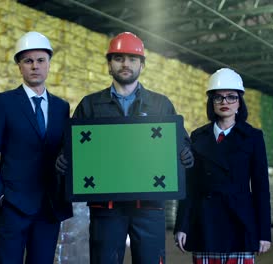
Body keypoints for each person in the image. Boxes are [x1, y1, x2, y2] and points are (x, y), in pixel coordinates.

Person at [56, 32, 194, 264]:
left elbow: (181, 141)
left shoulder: (161, 104)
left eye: (132, 59)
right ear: (109, 65)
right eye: (119, 58)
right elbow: (71, 146)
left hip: (149, 208)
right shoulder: (90, 105)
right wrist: (63, 158)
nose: (126, 64)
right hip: (106, 209)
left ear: (142, 65)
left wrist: (186, 154)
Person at [0, 31, 72, 263]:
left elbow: (65, 152)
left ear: (49, 65)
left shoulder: (61, 107)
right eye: (28, 61)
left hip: (49, 207)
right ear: (19, 66)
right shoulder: (3, 103)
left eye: (40, 60)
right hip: (13, 206)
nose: (35, 66)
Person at [174, 68, 272, 264]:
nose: (225, 102)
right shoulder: (198, 136)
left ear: (239, 101)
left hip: (240, 222)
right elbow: (191, 187)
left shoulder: (253, 137)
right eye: (218, 98)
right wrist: (182, 226)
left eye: (231, 97)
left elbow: (261, 188)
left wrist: (264, 233)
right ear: (211, 102)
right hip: (205, 222)